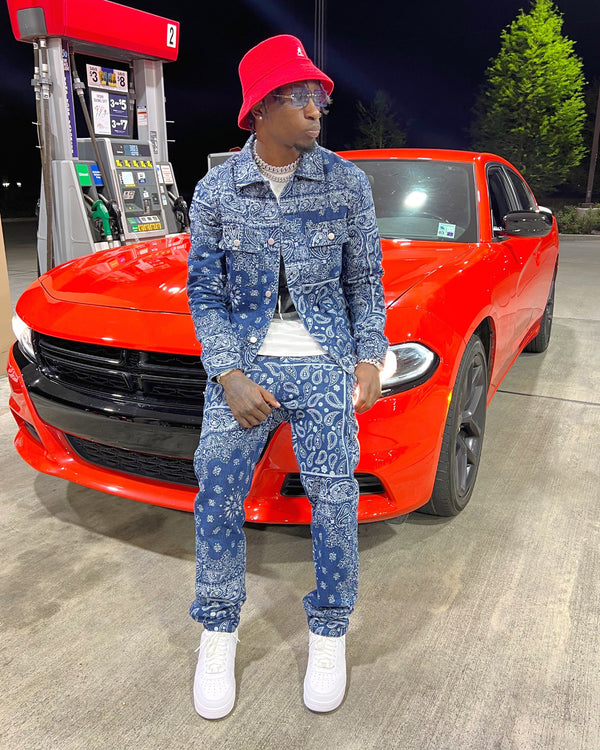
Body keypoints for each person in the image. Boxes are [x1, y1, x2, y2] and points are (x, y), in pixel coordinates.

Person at [187, 34, 388, 719]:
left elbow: (365, 280)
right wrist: (228, 373)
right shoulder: (217, 191)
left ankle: (329, 630)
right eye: (299, 98)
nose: (315, 111)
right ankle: (218, 629)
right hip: (245, 365)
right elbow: (204, 293)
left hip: (325, 360)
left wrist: (369, 355)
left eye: (318, 99)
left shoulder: (346, 183)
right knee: (216, 487)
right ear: (260, 109)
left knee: (334, 497)